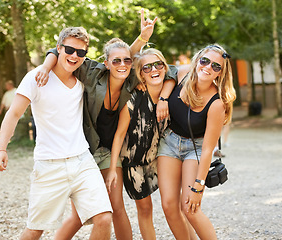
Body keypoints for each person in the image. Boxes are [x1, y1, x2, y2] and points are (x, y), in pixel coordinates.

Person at [35, 11, 177, 240]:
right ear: (106, 63)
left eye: (127, 61)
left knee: (116, 207)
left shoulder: (133, 77)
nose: (122, 64)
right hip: (83, 147)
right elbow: (58, 51)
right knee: (79, 216)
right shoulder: (91, 73)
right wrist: (44, 67)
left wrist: (163, 98)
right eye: (116, 61)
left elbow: (169, 72)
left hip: (113, 151)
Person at [0, 27, 113, 240]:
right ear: (58, 48)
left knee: (104, 218)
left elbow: (118, 60)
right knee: (35, 230)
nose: (74, 56)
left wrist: (142, 39)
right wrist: (2, 148)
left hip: (82, 161)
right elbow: (13, 114)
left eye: (81, 52)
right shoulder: (36, 78)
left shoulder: (82, 79)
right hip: (49, 164)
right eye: (69, 49)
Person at [106, 48, 191, 240]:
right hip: (133, 162)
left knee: (176, 205)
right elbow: (119, 135)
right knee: (145, 208)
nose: (154, 69)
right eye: (147, 67)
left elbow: (188, 68)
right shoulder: (133, 98)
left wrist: (164, 97)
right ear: (140, 74)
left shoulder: (172, 91)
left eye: (158, 64)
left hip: (162, 156)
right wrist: (112, 168)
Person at [156, 44, 236, 239]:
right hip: (170, 142)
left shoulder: (217, 104)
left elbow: (208, 149)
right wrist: (164, 98)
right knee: (168, 205)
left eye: (216, 66)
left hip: (196, 148)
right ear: (197, 60)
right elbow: (166, 75)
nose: (208, 67)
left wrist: (198, 186)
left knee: (190, 208)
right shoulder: (182, 73)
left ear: (220, 73)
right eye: (205, 61)